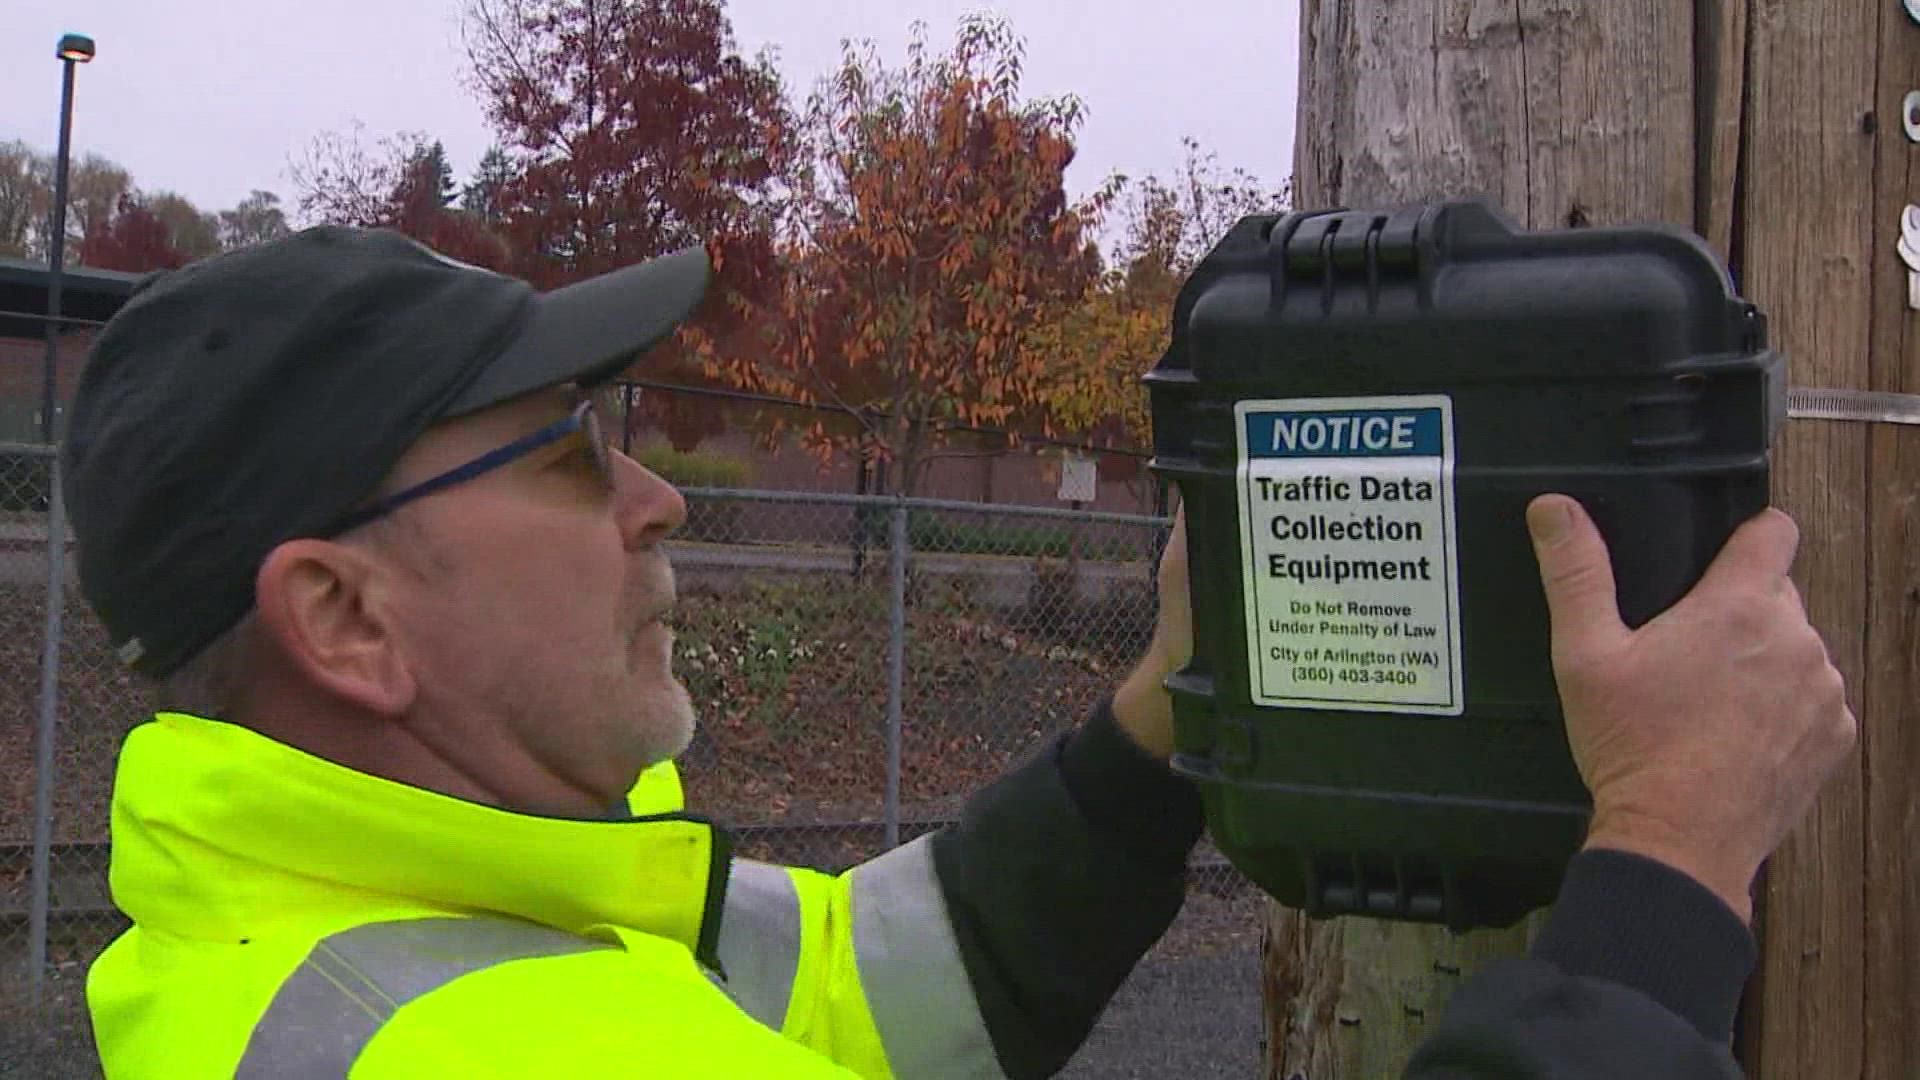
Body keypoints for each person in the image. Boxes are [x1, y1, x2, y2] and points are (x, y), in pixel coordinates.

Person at [60, 227, 1852, 1079]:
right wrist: (1673, 859)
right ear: (344, 619)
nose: (656, 498)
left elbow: (852, 992)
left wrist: (1159, 729)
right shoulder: (489, 1055)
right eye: (564, 450)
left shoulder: (413, 936)